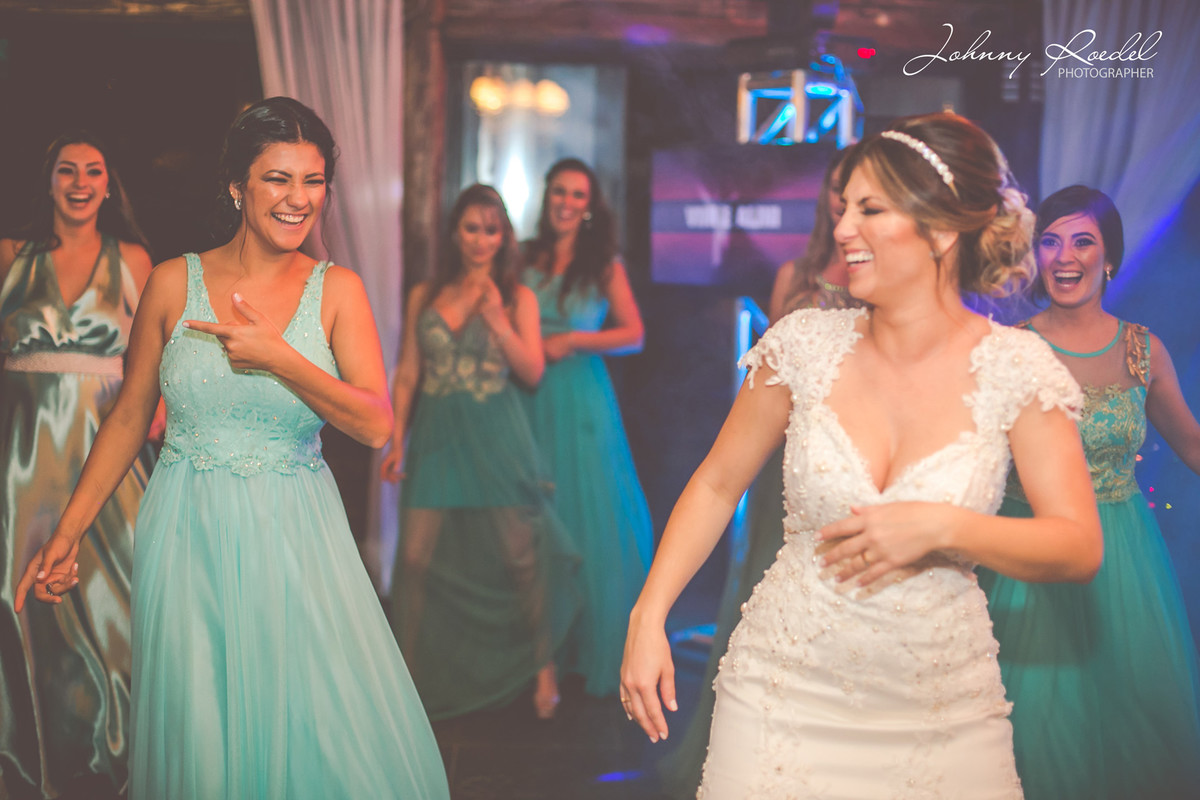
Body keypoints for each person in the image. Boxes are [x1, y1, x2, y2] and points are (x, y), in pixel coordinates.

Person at [620, 112, 1104, 798]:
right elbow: (716, 486)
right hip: (779, 691)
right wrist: (648, 615)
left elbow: (1078, 545)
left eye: (870, 209)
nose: (843, 228)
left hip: (942, 709)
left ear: (942, 229)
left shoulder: (1019, 368)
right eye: (844, 208)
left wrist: (944, 526)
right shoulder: (801, 346)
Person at [14, 97, 450, 799]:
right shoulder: (170, 281)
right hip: (186, 529)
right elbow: (128, 418)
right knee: (202, 721)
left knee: (315, 716)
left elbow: (375, 424)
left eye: (313, 181)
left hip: (295, 532)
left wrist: (282, 359)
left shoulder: (336, 290)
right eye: (278, 178)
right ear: (237, 186)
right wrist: (68, 533)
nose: (298, 198)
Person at [977, 185, 1200, 799]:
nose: (1065, 256)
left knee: (1130, 731)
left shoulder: (1141, 350)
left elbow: (1192, 444)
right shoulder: (1006, 348)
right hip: (1026, 560)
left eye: (1082, 241)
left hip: (1122, 560)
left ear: (1110, 259)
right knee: (1031, 731)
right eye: (1050, 242)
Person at [656, 150, 864, 799]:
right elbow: (721, 474)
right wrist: (650, 613)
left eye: (868, 197)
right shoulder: (795, 283)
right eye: (841, 192)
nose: (847, 209)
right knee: (768, 578)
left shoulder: (950, 337)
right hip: (792, 457)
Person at [382, 183, 579, 721]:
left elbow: (533, 372)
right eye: (471, 228)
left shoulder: (518, 297)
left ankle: (543, 668)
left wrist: (497, 321)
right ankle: (405, 675)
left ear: (504, 237)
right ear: (454, 232)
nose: (480, 239)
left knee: (520, 559)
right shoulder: (425, 294)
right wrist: (397, 439)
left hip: (496, 437)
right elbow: (408, 373)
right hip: (437, 437)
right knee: (414, 559)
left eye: (491, 230)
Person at [0, 131, 155, 800]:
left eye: (94, 170)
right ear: (49, 181)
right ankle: (25, 756)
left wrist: (161, 414)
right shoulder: (10, 256)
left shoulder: (136, 260)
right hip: (20, 462)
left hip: (108, 455)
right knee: (21, 601)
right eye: (68, 170)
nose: (81, 182)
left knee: (116, 599)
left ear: (109, 184)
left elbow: (158, 357)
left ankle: (117, 754)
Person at [520, 158, 653, 698]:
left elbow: (634, 334)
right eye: (559, 192)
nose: (567, 203)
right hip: (526, 393)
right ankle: (537, 658)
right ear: (546, 196)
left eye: (578, 195)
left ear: (590, 206)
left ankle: (586, 648)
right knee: (531, 520)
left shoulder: (603, 264)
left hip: (579, 396)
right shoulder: (524, 256)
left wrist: (572, 340)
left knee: (585, 518)